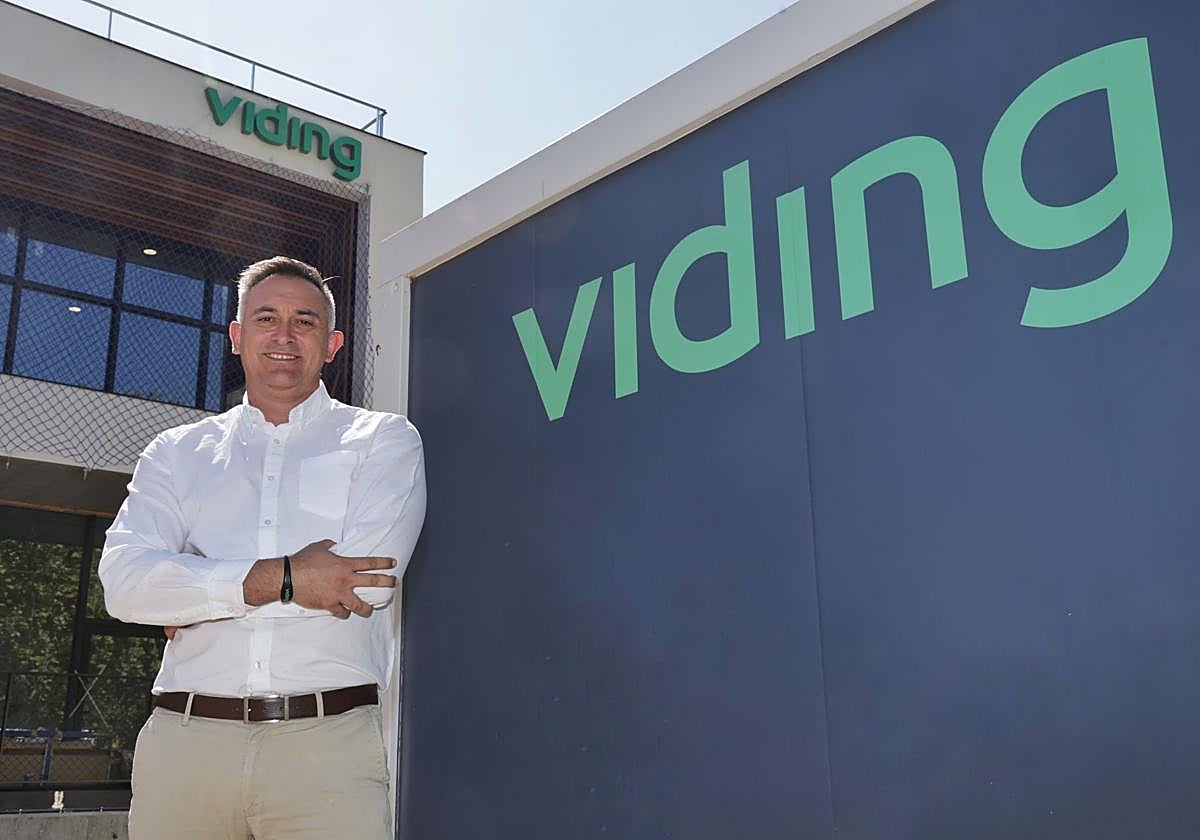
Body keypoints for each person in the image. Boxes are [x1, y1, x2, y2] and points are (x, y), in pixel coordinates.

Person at [99, 255, 426, 840]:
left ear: (332, 344)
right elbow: (125, 583)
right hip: (184, 747)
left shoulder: (384, 441)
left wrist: (198, 588)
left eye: (304, 322)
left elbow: (360, 588)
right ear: (236, 336)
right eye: (265, 317)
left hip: (326, 751)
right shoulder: (177, 452)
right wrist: (284, 577)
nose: (283, 335)